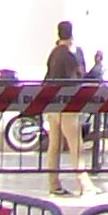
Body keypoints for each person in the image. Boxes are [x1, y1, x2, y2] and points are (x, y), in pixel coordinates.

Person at [41, 20, 85, 195]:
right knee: (76, 146)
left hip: (52, 104)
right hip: (67, 105)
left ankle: (54, 184)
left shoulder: (54, 53)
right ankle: (84, 185)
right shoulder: (69, 54)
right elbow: (77, 77)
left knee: (54, 146)